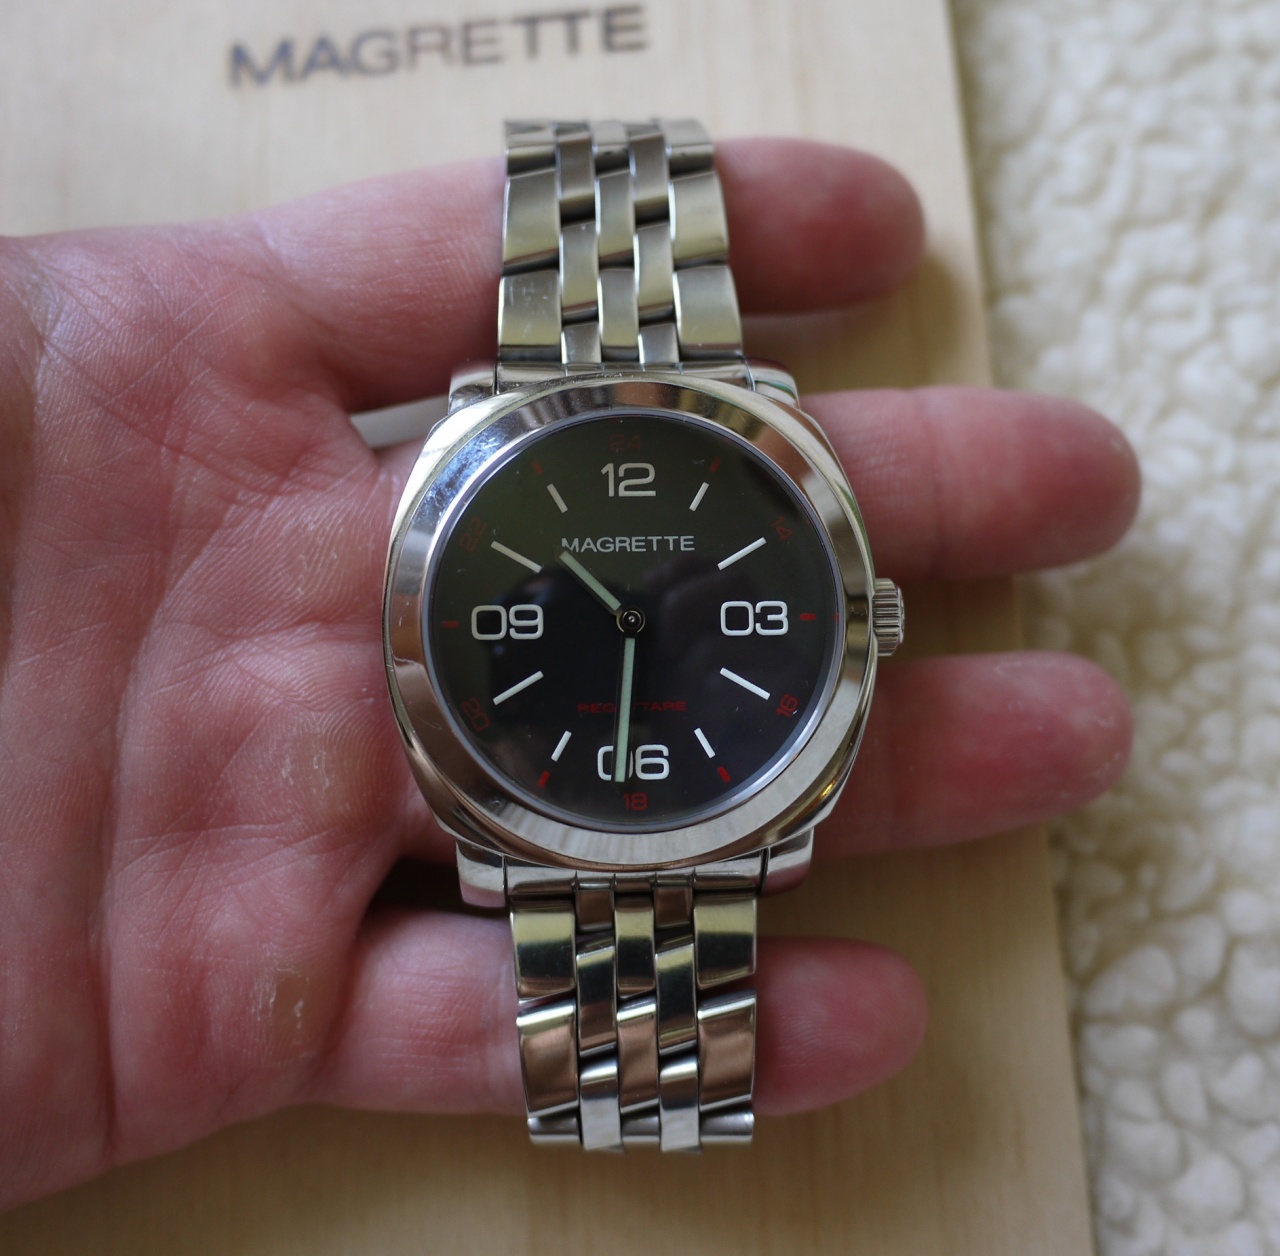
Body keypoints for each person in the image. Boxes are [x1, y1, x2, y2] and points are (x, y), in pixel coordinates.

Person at [0, 138, 1139, 1209]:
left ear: (866, 619)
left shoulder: (751, 566)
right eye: (594, 608)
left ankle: (641, 1090)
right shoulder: (477, 585)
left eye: (648, 609)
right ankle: (635, 1090)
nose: (627, 622)